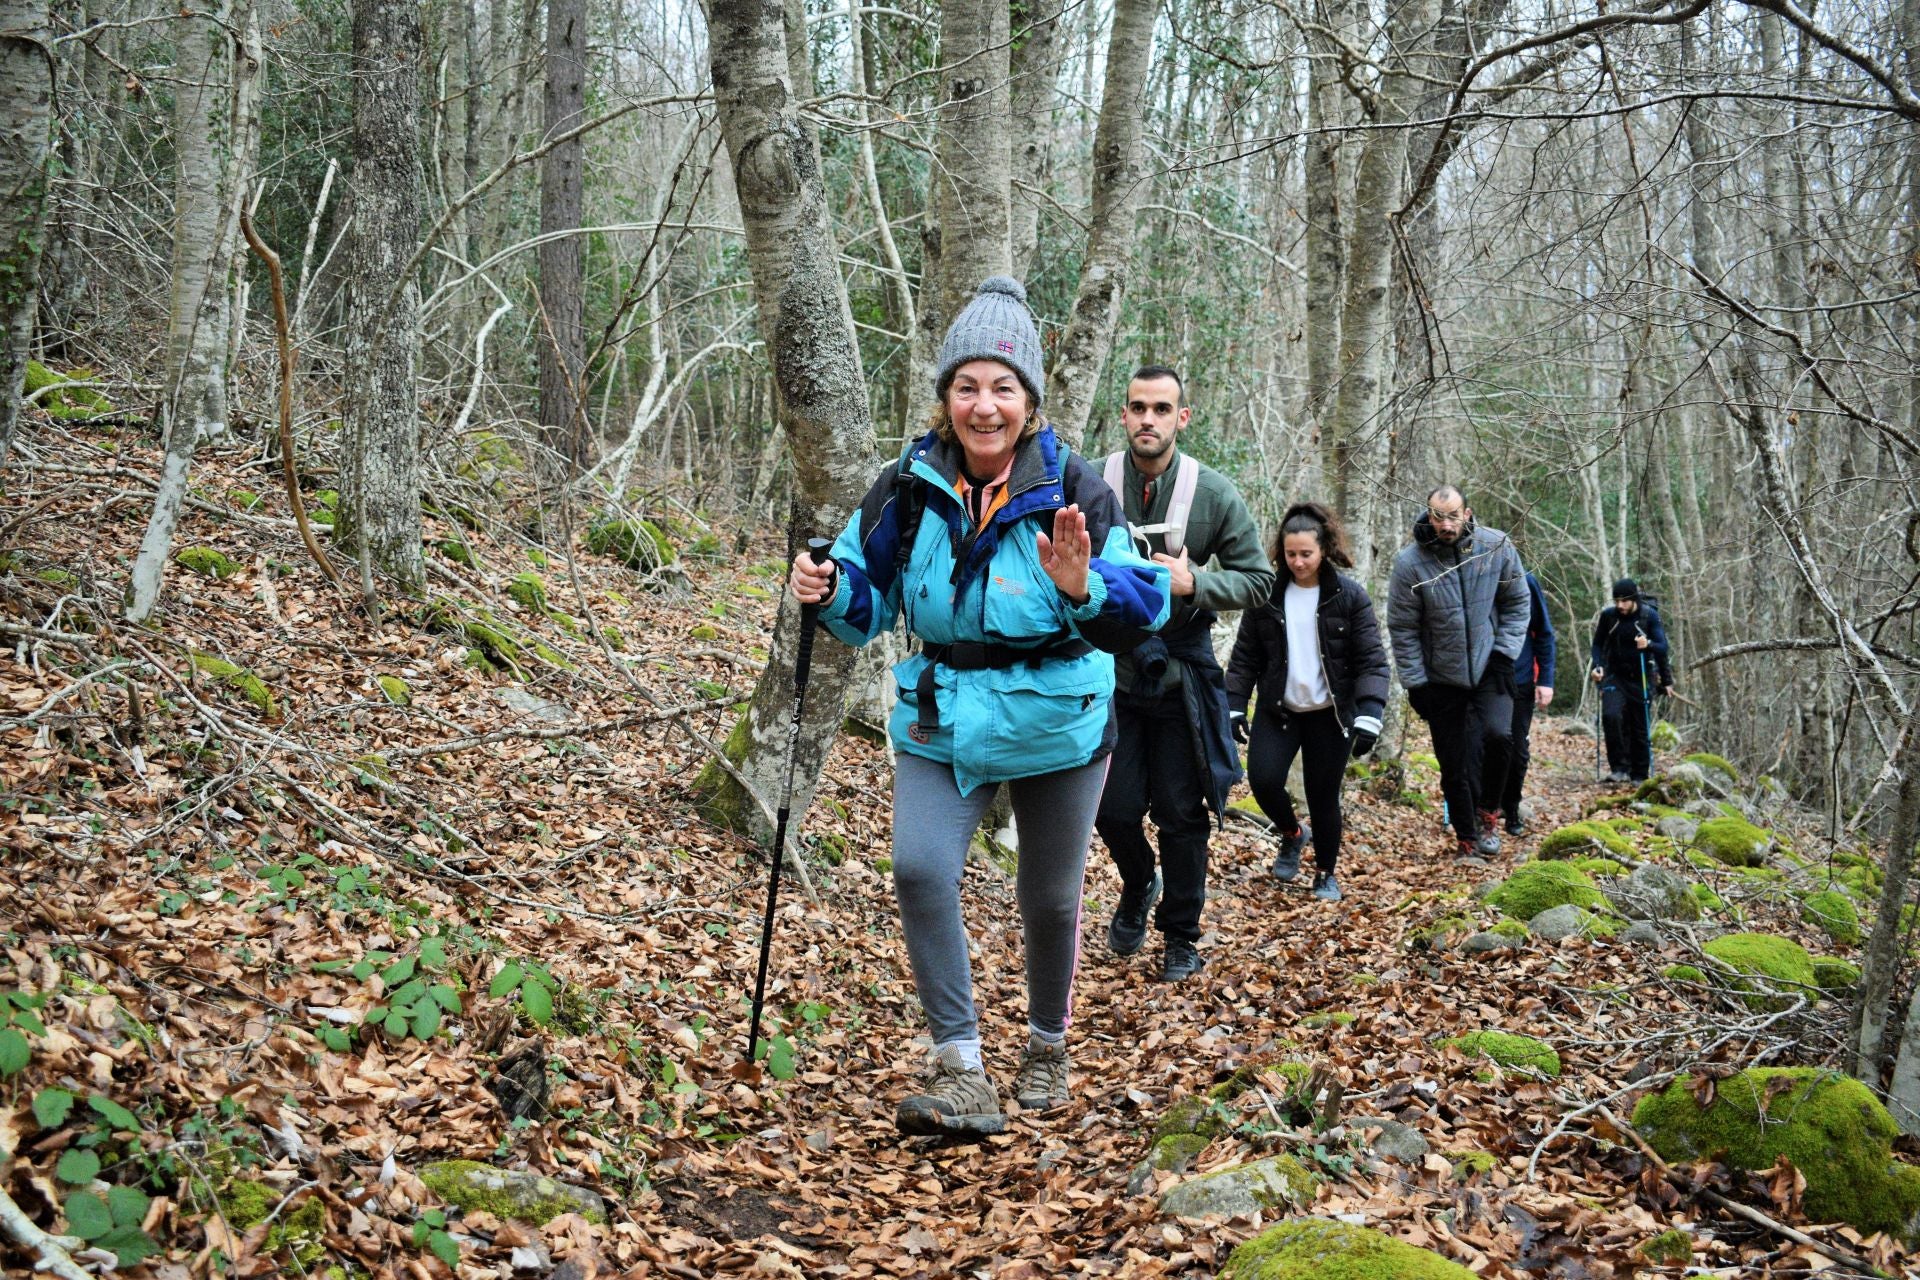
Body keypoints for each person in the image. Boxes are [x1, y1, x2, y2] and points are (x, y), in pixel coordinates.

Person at [787, 276, 1171, 1138]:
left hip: (1061, 719)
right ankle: (961, 1066)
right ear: (946, 396)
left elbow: (1143, 606)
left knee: (1050, 899)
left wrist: (1083, 586)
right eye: (967, 386)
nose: (984, 406)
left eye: (1003, 388)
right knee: (921, 868)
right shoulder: (908, 485)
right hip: (944, 712)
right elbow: (867, 599)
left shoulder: (1076, 486)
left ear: (1029, 401)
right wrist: (827, 587)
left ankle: (1045, 1044)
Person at [1092, 365, 1273, 982]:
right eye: (1138, 407)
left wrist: (1195, 582)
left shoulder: (1215, 494)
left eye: (1161, 409)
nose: (1149, 419)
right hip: (1108, 673)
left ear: (1181, 418)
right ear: (1123, 414)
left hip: (1183, 681)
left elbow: (1259, 580)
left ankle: (1181, 938)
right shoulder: (1092, 482)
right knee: (1111, 809)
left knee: (1182, 813)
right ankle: (1141, 883)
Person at [1224, 503, 1389, 902]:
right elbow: (1246, 657)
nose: (1297, 562)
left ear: (1324, 550)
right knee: (1262, 782)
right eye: (1290, 554)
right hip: (1278, 710)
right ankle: (1293, 834)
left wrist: (1370, 712)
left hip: (1329, 716)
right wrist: (1233, 704)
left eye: (1306, 554)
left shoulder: (1349, 597)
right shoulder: (1266, 595)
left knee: (1322, 796)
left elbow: (1371, 659)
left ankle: (1325, 873)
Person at [1386, 485, 1530, 861]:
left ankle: (1488, 814)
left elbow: (1517, 602)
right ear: (1428, 515)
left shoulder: (1495, 546)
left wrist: (1504, 654)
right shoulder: (1411, 563)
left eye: (1453, 515)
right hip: (1440, 676)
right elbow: (1403, 628)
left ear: (1467, 513)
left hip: (1490, 666)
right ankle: (1466, 837)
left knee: (1501, 737)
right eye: (1438, 516)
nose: (1446, 524)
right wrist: (1416, 683)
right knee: (1453, 761)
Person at [1589, 577, 1669, 783]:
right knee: (1611, 716)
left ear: (1634, 599)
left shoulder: (1649, 616)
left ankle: (1639, 773)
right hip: (1615, 676)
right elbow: (1597, 645)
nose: (1620, 605)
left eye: (1624, 601)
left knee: (1639, 725)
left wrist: (1648, 644)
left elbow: (1662, 647)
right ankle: (1619, 768)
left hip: (1641, 677)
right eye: (1617, 601)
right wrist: (1597, 666)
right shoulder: (1608, 617)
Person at [1497, 570, 1557, 834]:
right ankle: (1485, 807)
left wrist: (1546, 679)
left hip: (1520, 678)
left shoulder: (1526, 580)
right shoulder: (1471, 574)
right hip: (1480, 679)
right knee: (1483, 743)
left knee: (1516, 749)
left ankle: (1511, 809)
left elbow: (1543, 633)